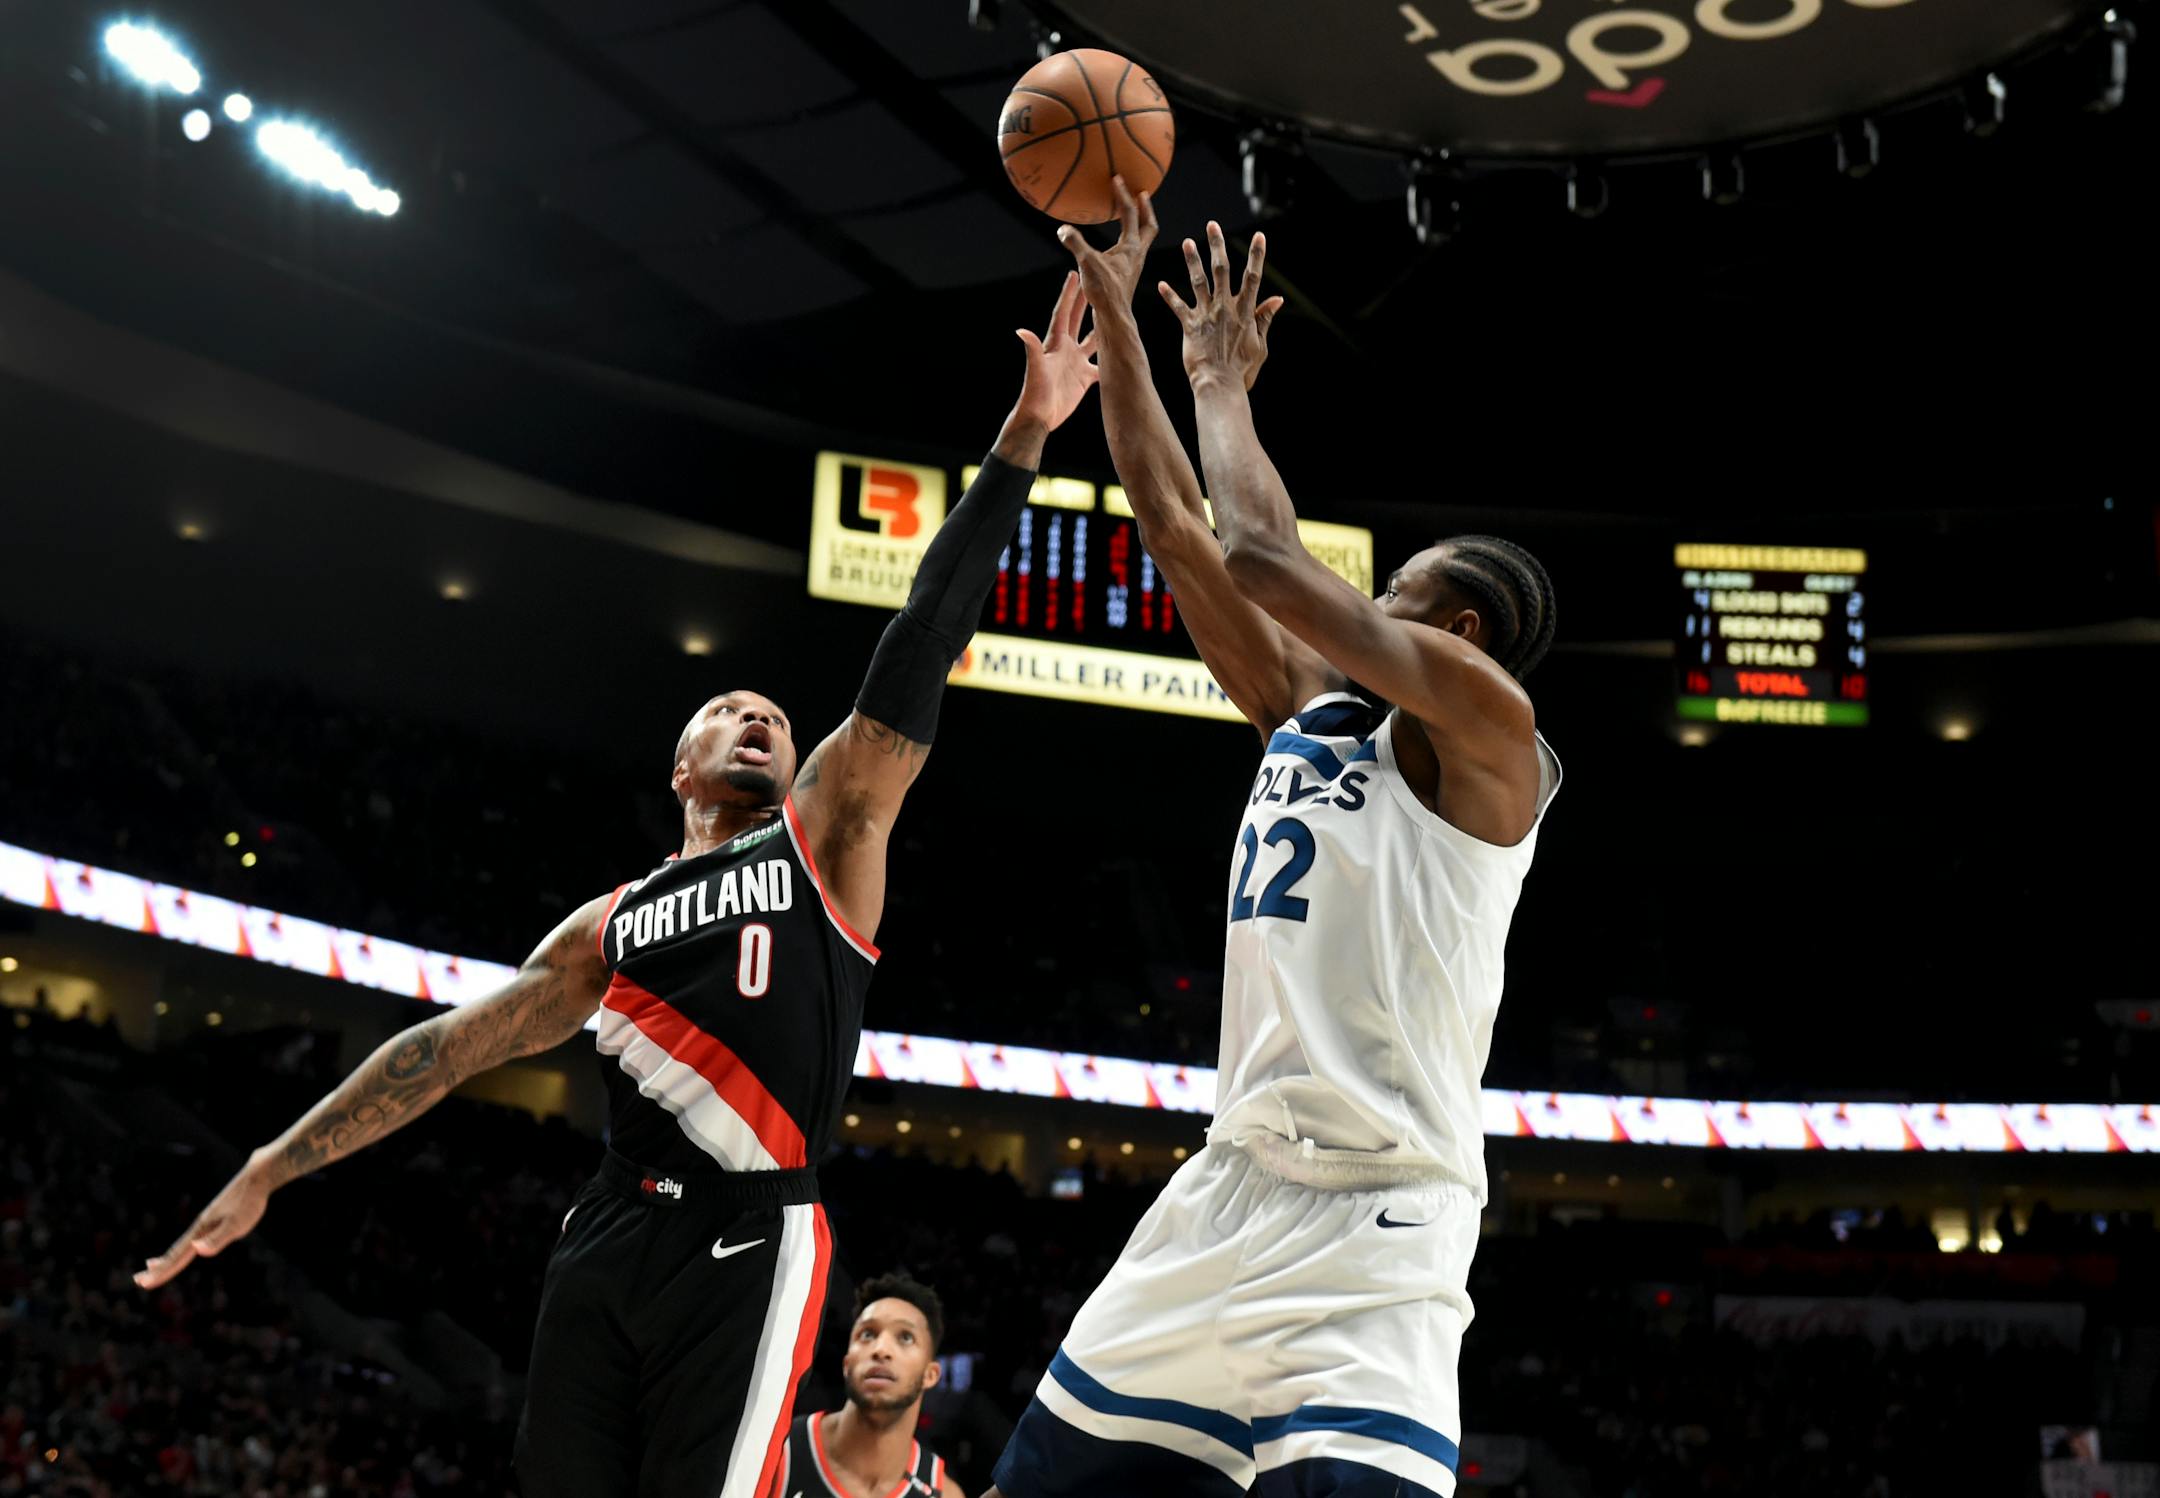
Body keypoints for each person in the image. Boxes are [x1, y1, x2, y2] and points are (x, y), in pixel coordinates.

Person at [131, 274, 1104, 1498]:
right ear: (682, 763)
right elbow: (448, 1048)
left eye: (776, 715)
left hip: (753, 1234)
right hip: (607, 1229)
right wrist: (275, 1158)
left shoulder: (829, 837)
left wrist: (1023, 436)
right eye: (728, 709)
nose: (757, 715)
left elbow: (920, 628)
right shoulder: (612, 922)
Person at [984, 183, 1561, 1498]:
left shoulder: (1495, 737)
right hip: (1225, 1191)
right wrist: (1125, 327)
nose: (1366, 600)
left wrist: (1217, 378)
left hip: (1380, 1224)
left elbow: (1257, 548)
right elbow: (1180, 526)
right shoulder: (1302, 714)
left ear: (1452, 635)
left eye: (1396, 590)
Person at [776, 1272, 964, 1498]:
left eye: (905, 1337)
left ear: (930, 1374)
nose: (881, 1349)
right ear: (847, 1364)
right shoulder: (778, 1449)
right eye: (867, 1334)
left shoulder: (944, 1494)